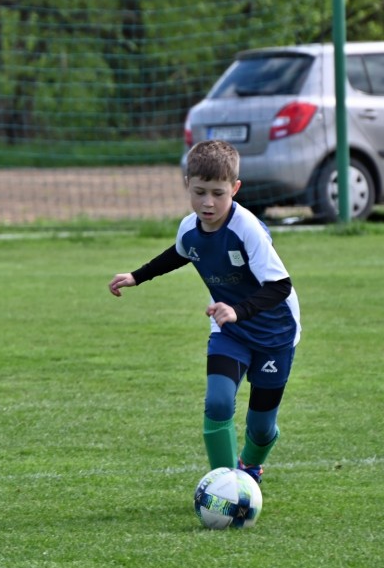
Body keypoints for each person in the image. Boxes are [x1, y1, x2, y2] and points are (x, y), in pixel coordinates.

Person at [107, 140, 300, 485]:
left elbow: (280, 286)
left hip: (275, 333)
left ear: (235, 189)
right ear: (187, 185)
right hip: (230, 331)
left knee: (261, 427)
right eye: (199, 192)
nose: (207, 203)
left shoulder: (247, 229)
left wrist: (238, 310)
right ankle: (226, 485)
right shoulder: (190, 227)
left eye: (218, 194)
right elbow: (181, 252)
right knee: (218, 402)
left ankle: (250, 465)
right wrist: (137, 276)